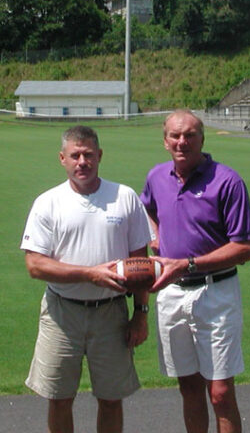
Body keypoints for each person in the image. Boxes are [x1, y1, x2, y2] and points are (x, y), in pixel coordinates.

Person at [21, 125, 152, 433]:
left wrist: (141, 315)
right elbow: (35, 265)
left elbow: (140, 264)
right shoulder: (48, 202)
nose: (82, 162)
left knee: (110, 398)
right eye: (75, 155)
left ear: (100, 156)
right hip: (61, 313)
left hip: (111, 313)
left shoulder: (124, 197)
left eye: (89, 155)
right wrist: (90, 274)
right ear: (62, 158)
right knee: (59, 397)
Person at [141, 109, 250, 433]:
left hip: (215, 293)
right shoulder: (156, 177)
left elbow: (244, 248)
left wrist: (187, 264)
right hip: (172, 293)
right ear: (165, 141)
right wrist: (155, 236)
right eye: (175, 136)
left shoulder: (227, 180)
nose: (182, 142)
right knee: (188, 388)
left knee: (219, 393)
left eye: (190, 135)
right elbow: (145, 207)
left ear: (202, 139)